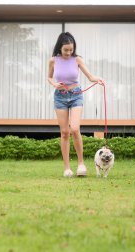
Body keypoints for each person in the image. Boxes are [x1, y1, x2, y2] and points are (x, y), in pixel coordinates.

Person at [48, 32, 104, 177]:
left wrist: (98, 79)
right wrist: (54, 84)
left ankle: (81, 164)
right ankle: (67, 168)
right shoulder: (53, 61)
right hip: (60, 97)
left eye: (71, 50)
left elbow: (90, 77)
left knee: (74, 128)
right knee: (65, 133)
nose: (68, 52)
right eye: (66, 50)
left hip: (76, 95)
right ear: (60, 47)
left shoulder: (77, 60)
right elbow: (49, 77)